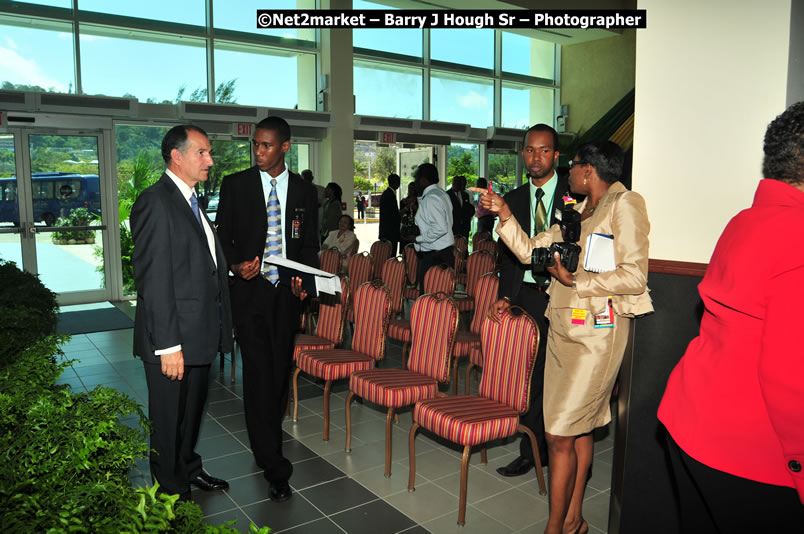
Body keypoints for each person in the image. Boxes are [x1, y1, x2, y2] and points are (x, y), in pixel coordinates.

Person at [472, 140, 652, 534]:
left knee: (557, 434)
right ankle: (573, 518)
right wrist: (503, 213)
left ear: (588, 171)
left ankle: (554, 527)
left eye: (572, 167)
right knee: (578, 426)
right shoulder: (575, 212)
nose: (567, 173)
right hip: (561, 329)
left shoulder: (625, 204)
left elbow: (636, 276)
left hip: (597, 336)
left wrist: (579, 280)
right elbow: (527, 252)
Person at [658, 102, 804, 532]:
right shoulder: (798, 237)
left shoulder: (745, 220)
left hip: (691, 421)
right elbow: (790, 377)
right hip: (751, 451)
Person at [216, 116, 319, 503]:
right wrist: (235, 264)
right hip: (250, 294)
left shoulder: (306, 192)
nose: (258, 151)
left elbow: (308, 245)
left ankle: (266, 443)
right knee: (259, 374)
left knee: (277, 377)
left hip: (286, 298)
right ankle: (274, 464)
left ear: (285, 147)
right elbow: (222, 238)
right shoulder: (236, 185)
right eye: (255, 145)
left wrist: (304, 283)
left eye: (266, 145)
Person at [131, 125, 233, 500]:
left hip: (199, 335)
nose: (210, 160)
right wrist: (168, 345)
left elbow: (199, 264)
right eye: (202, 153)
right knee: (168, 421)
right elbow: (154, 280)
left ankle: (188, 469)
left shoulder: (191, 200)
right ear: (177, 156)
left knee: (190, 416)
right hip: (172, 340)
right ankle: (171, 493)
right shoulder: (155, 201)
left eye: (209, 153)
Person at [494, 124, 572, 478]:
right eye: (530, 150)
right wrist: (504, 295)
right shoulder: (512, 198)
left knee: (557, 374)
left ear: (556, 155)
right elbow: (507, 257)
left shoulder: (573, 196)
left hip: (560, 295)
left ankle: (554, 444)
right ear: (522, 153)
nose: (536, 157)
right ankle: (530, 451)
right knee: (529, 373)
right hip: (525, 294)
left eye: (544, 150)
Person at [405, 163, 454, 292]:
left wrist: (418, 238)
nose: (414, 182)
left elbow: (441, 228)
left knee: (428, 301)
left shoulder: (431, 198)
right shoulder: (441, 194)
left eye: (416, 178)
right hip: (443, 253)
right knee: (441, 300)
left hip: (435, 256)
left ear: (423, 180)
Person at [379, 173, 401, 255]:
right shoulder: (389, 195)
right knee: (390, 255)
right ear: (396, 183)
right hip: (390, 233)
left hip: (387, 232)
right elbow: (392, 215)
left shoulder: (387, 193)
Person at [447, 175, 475, 239]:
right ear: (453, 183)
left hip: (464, 228)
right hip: (453, 228)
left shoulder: (465, 195)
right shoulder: (447, 195)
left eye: (459, 183)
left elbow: (468, 210)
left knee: (464, 246)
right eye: (456, 183)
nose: (457, 185)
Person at [301, 169, 325, 236]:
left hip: (318, 219)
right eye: (305, 176)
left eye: (308, 176)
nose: (307, 179)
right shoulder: (298, 190)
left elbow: (323, 204)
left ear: (312, 178)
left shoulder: (321, 189)